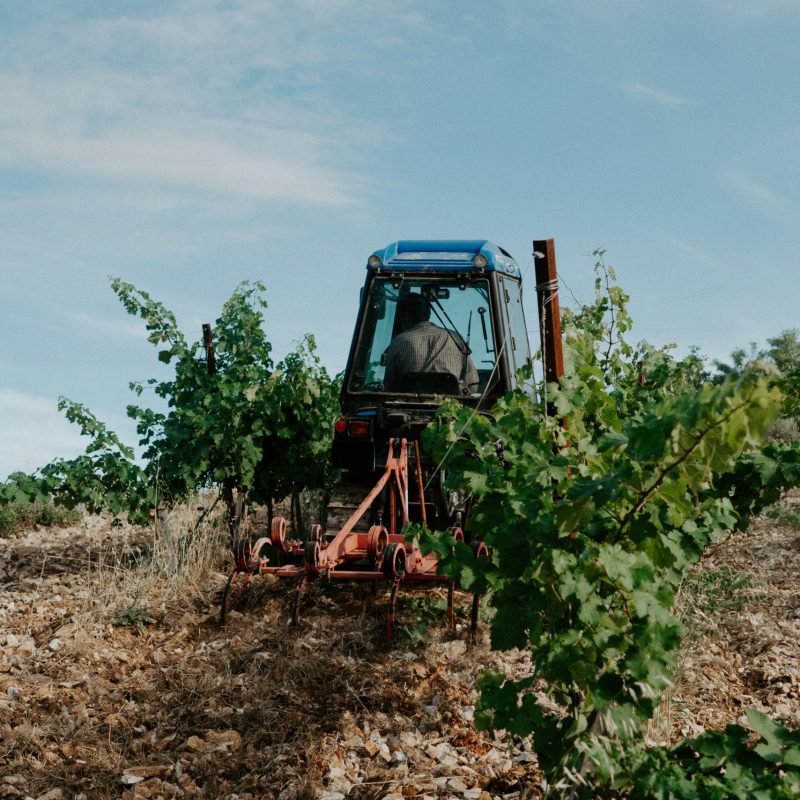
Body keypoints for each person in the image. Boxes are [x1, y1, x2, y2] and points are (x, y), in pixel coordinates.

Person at [383, 293, 479, 394]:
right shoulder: (455, 338)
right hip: (451, 407)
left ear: (403, 315)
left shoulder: (398, 342)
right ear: (428, 314)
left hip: (408, 407)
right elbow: (472, 385)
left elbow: (389, 388)